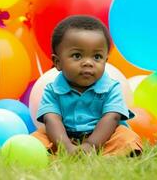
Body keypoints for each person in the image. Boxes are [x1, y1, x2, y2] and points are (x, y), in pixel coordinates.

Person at [32, 15, 142, 156]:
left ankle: (113, 154)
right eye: (77, 56)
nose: (88, 63)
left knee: (126, 137)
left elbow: (111, 117)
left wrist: (91, 145)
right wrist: (65, 146)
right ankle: (55, 153)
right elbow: (51, 119)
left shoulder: (111, 88)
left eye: (97, 57)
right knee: (38, 138)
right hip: (64, 136)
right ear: (57, 62)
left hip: (104, 137)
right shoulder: (52, 90)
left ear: (105, 61)